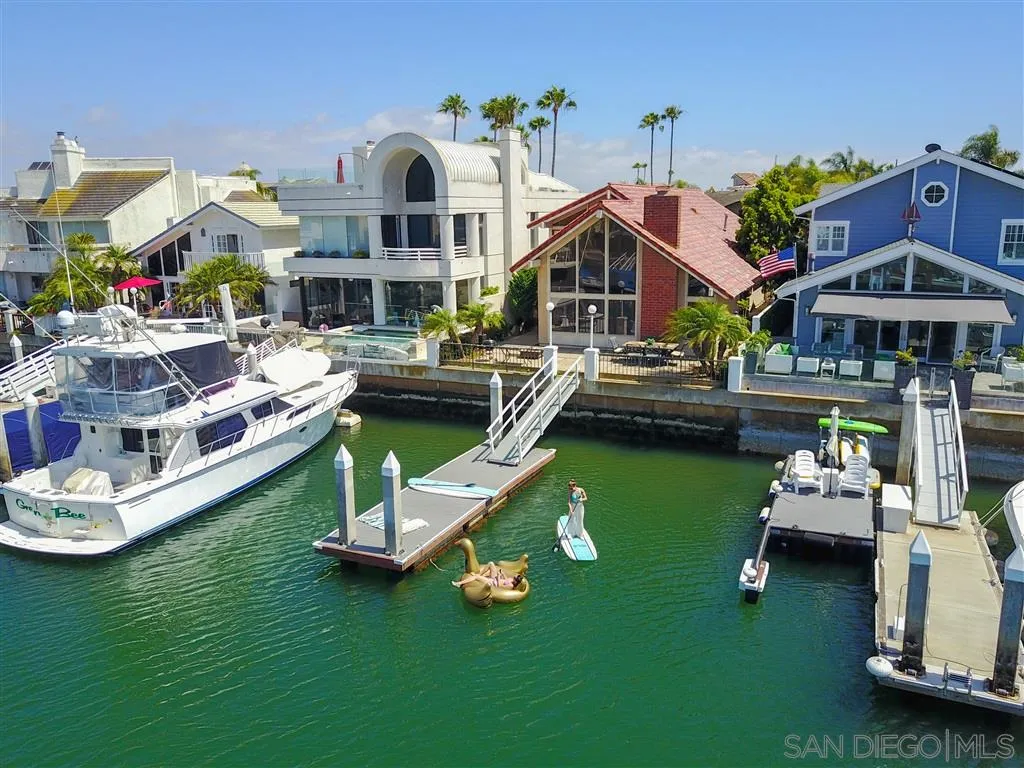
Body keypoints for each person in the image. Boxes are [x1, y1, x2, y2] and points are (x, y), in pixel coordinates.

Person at [452, 562, 524, 590]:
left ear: (516, 581)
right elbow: (506, 579)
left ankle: (459, 583)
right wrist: (502, 574)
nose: (513, 578)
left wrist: (498, 577)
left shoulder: (511, 586)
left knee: (475, 577)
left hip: (494, 583)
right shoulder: (511, 579)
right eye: (514, 577)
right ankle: (480, 575)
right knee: (491, 564)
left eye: (515, 578)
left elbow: (499, 586)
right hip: (496, 578)